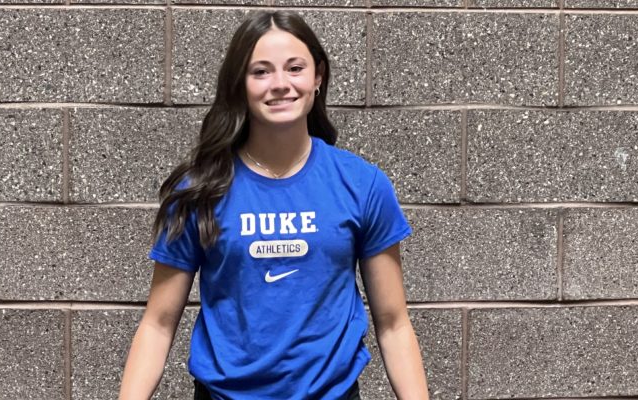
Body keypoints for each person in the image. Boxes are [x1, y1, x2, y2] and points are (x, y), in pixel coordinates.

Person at [119, 10, 429, 400]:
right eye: (261, 72)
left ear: (317, 77)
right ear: (240, 84)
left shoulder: (361, 184)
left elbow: (394, 324)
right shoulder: (200, 190)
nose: (280, 84)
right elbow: (158, 324)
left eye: (295, 68)